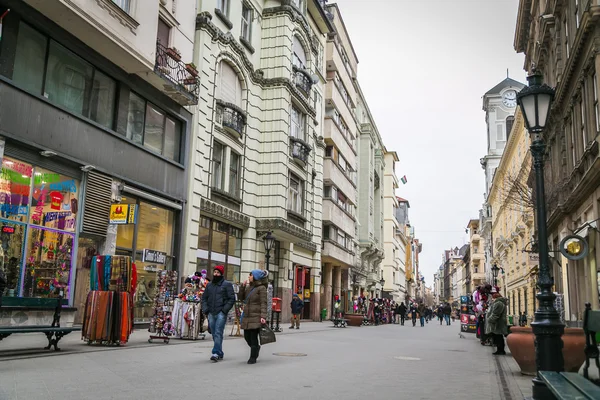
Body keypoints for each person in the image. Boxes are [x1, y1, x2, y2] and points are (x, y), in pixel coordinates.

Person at [201, 265, 235, 362]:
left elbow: (231, 299)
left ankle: (215, 353)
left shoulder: (227, 284)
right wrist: (205, 309)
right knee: (213, 332)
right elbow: (204, 298)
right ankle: (219, 352)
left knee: (218, 332)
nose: (216, 274)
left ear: (221, 274)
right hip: (211, 312)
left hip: (221, 312)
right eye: (215, 272)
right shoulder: (209, 285)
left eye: (218, 272)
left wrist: (224, 310)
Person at [238, 269, 268, 364]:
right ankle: (256, 349)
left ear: (255, 277)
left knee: (253, 337)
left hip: (256, 316)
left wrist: (263, 316)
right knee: (246, 337)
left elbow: (263, 303)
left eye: (250, 275)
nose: (249, 277)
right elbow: (241, 298)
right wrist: (242, 287)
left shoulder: (262, 288)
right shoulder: (249, 288)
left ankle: (253, 357)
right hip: (247, 315)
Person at [485, 287, 508, 355]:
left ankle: (500, 350)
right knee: (498, 336)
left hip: (497, 323)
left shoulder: (498, 303)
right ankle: (500, 350)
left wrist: (489, 320)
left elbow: (495, 314)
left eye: (493, 298)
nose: (492, 299)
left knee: (498, 337)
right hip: (498, 322)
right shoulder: (499, 303)